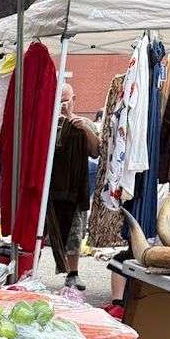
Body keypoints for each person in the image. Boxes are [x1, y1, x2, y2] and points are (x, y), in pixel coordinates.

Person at [54, 84, 100, 290]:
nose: (63, 105)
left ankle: (73, 274)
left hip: (76, 189)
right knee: (46, 231)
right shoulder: (50, 123)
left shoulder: (86, 124)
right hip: (52, 188)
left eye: (66, 100)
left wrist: (83, 129)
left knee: (74, 235)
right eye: (59, 101)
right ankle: (33, 270)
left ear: (74, 99)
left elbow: (96, 151)